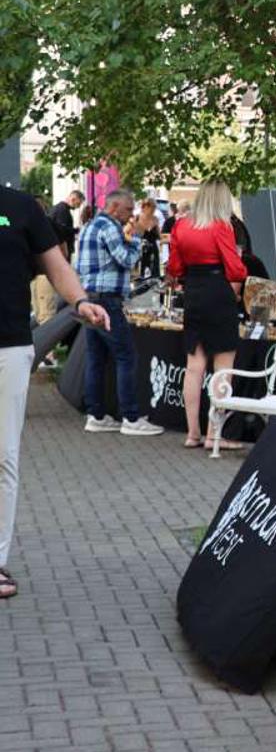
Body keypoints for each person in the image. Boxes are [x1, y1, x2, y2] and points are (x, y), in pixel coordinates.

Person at [0, 185, 109, 599]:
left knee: (3, 457)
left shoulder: (20, 207)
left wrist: (80, 302)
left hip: (9, 348)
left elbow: (56, 265)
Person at [75, 189, 164, 436]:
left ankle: (96, 415)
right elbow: (126, 260)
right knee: (126, 356)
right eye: (128, 209)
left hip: (90, 297)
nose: (130, 214)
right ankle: (131, 418)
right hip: (107, 300)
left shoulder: (89, 226)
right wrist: (136, 238)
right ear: (114, 207)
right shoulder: (110, 227)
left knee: (96, 358)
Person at [167, 182, 248, 450]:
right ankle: (214, 434)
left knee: (194, 367)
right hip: (218, 293)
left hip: (193, 292)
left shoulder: (181, 225)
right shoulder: (221, 226)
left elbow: (174, 267)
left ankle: (193, 433)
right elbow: (235, 269)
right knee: (223, 368)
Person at [136, 198, 162, 281]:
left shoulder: (155, 219)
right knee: (141, 273)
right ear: (146, 207)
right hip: (141, 248)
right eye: (153, 207)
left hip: (153, 249)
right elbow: (131, 234)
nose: (154, 210)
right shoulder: (137, 218)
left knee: (154, 274)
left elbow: (159, 236)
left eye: (155, 207)